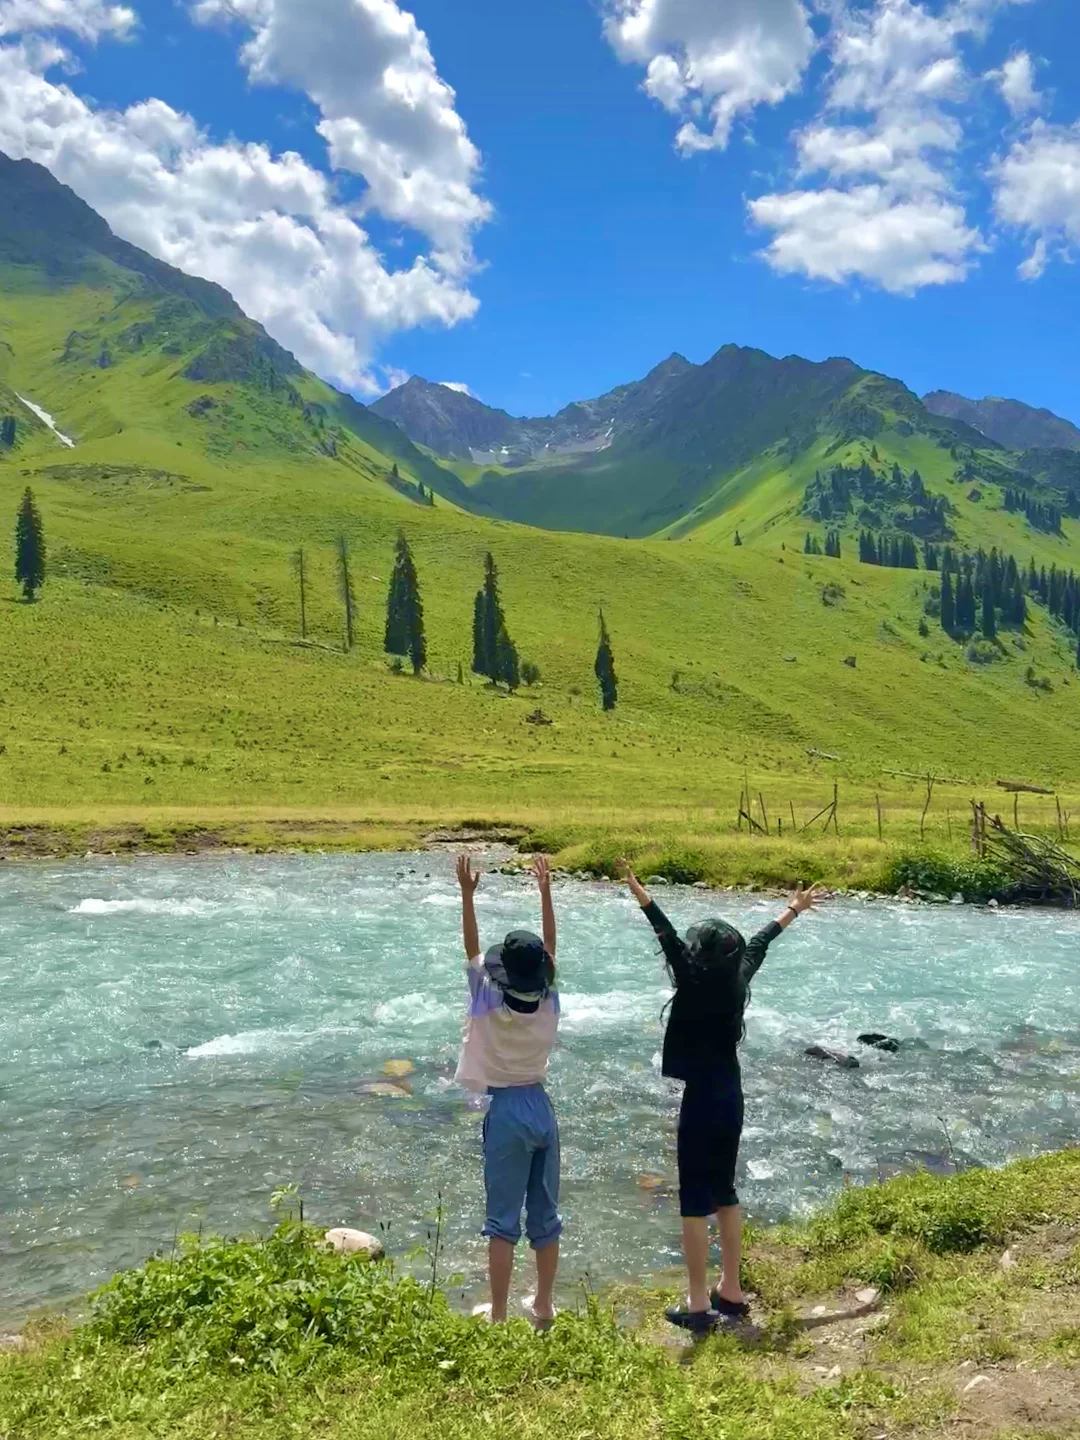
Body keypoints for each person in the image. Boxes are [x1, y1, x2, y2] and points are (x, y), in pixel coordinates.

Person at [620, 860, 823, 1332]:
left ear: (695, 957)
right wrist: (793, 909)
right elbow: (759, 942)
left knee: (693, 1197)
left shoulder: (690, 981)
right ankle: (731, 1289)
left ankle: (696, 1303)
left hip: (699, 1098)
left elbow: (665, 932)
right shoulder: (738, 978)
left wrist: (638, 890)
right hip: (731, 1093)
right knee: (725, 1190)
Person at [455, 852, 562, 1326]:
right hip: (542, 1106)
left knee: (502, 1221)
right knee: (545, 1215)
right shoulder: (550, 1000)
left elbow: (471, 951)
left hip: (506, 1110)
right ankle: (543, 1304)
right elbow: (552, 956)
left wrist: (467, 895)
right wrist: (545, 893)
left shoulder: (487, 1001)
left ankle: (498, 1314)